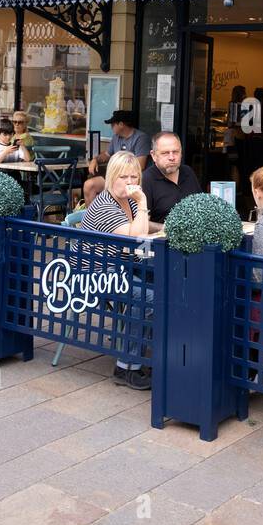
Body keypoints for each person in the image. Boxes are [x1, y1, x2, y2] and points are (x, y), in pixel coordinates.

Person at [79, 150, 153, 390]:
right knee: (147, 298)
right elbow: (137, 235)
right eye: (124, 177)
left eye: (134, 177)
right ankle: (126, 367)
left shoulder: (127, 201)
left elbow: (141, 230)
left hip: (125, 265)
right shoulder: (105, 205)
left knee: (171, 283)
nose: (130, 183)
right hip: (98, 273)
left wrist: (165, 227)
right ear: (111, 177)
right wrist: (143, 202)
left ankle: (151, 353)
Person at [83, 110, 149, 205]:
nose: (111, 127)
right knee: (89, 185)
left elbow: (140, 165)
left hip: (131, 180)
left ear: (121, 124)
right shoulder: (116, 137)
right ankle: (93, 217)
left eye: (113, 124)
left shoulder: (141, 138)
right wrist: (95, 159)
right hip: (114, 177)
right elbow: (106, 155)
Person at [141, 131, 202, 227]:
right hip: (162, 240)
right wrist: (170, 229)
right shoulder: (146, 180)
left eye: (175, 152)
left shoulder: (188, 172)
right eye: (165, 153)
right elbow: (142, 224)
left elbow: (201, 207)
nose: (172, 157)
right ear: (153, 155)